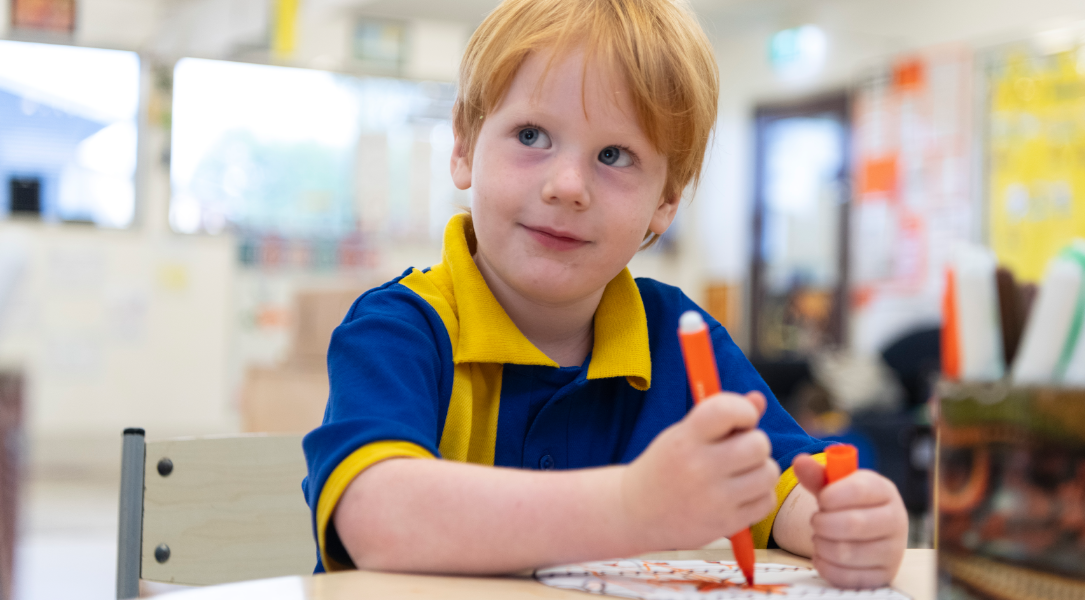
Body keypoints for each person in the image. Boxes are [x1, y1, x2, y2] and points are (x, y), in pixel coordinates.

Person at [301, 0, 907, 589]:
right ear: (462, 146)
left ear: (665, 201)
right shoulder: (398, 330)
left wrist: (842, 517)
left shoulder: (678, 335)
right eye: (532, 134)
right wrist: (629, 507)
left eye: (614, 155)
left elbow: (782, 482)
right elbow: (377, 520)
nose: (568, 187)